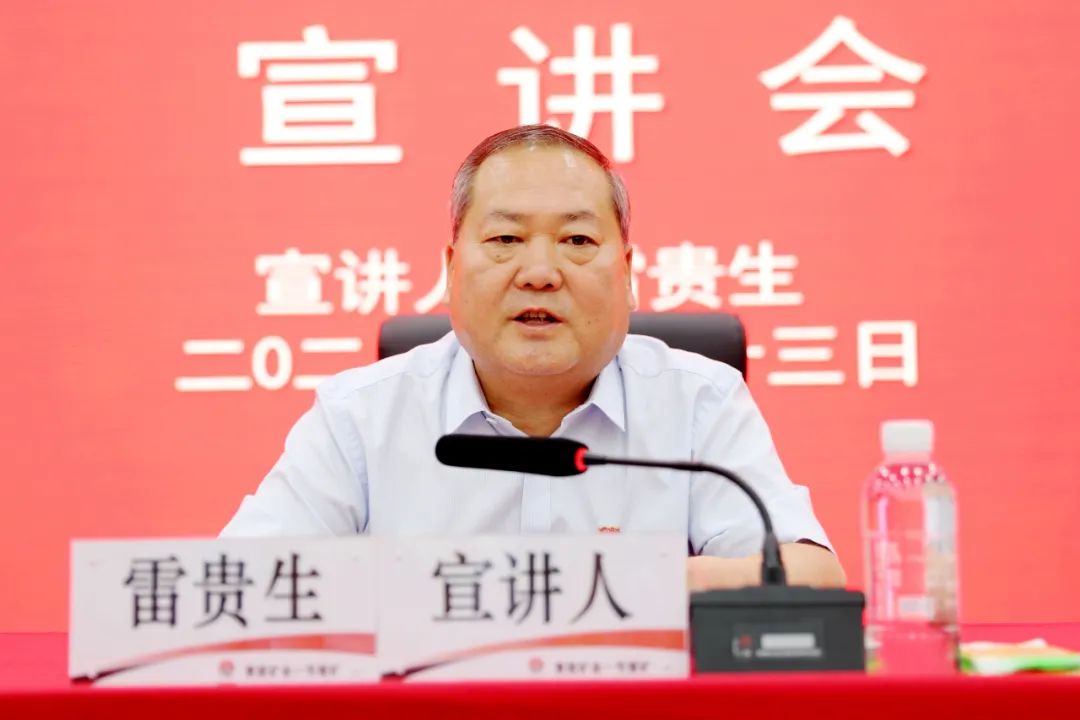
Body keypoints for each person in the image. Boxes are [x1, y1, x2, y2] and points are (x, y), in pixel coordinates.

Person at [221, 125, 845, 591]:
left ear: (627, 272)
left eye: (577, 240)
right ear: (451, 269)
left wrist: (623, 587)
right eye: (505, 239)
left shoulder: (698, 401)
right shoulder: (360, 416)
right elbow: (240, 584)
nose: (540, 272)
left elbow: (811, 577)